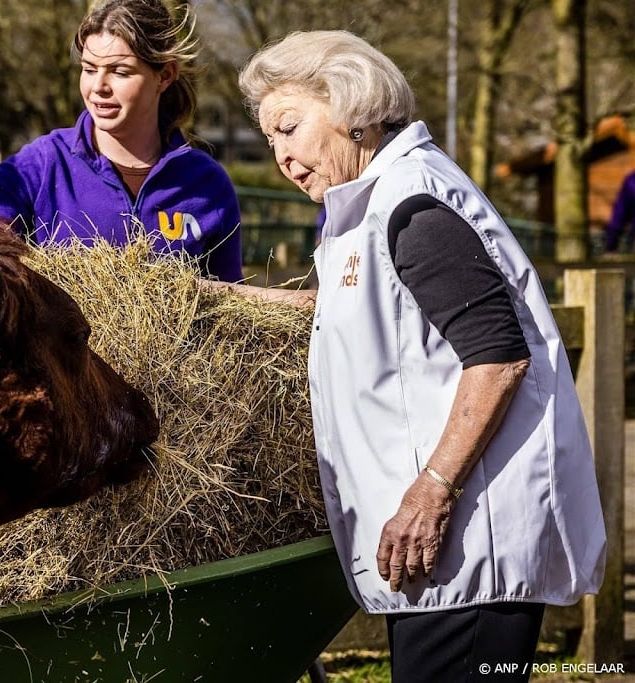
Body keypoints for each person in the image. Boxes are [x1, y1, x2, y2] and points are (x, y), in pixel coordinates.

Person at [233, 30, 606, 682]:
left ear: (349, 106)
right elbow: (354, 309)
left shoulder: (412, 205)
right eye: (270, 140)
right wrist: (218, 298)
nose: (282, 157)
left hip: (466, 553)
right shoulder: (376, 203)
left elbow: (496, 357)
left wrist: (431, 491)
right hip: (441, 559)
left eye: (289, 127)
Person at [0, 0, 243, 282]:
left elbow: (230, 304)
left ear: (165, 75)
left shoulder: (207, 184)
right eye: (89, 69)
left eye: (120, 71)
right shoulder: (42, 164)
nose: (98, 87)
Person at [603, 169, 635, 253]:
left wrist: (611, 246)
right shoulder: (631, 181)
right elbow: (619, 216)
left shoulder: (632, 181)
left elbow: (619, 217)